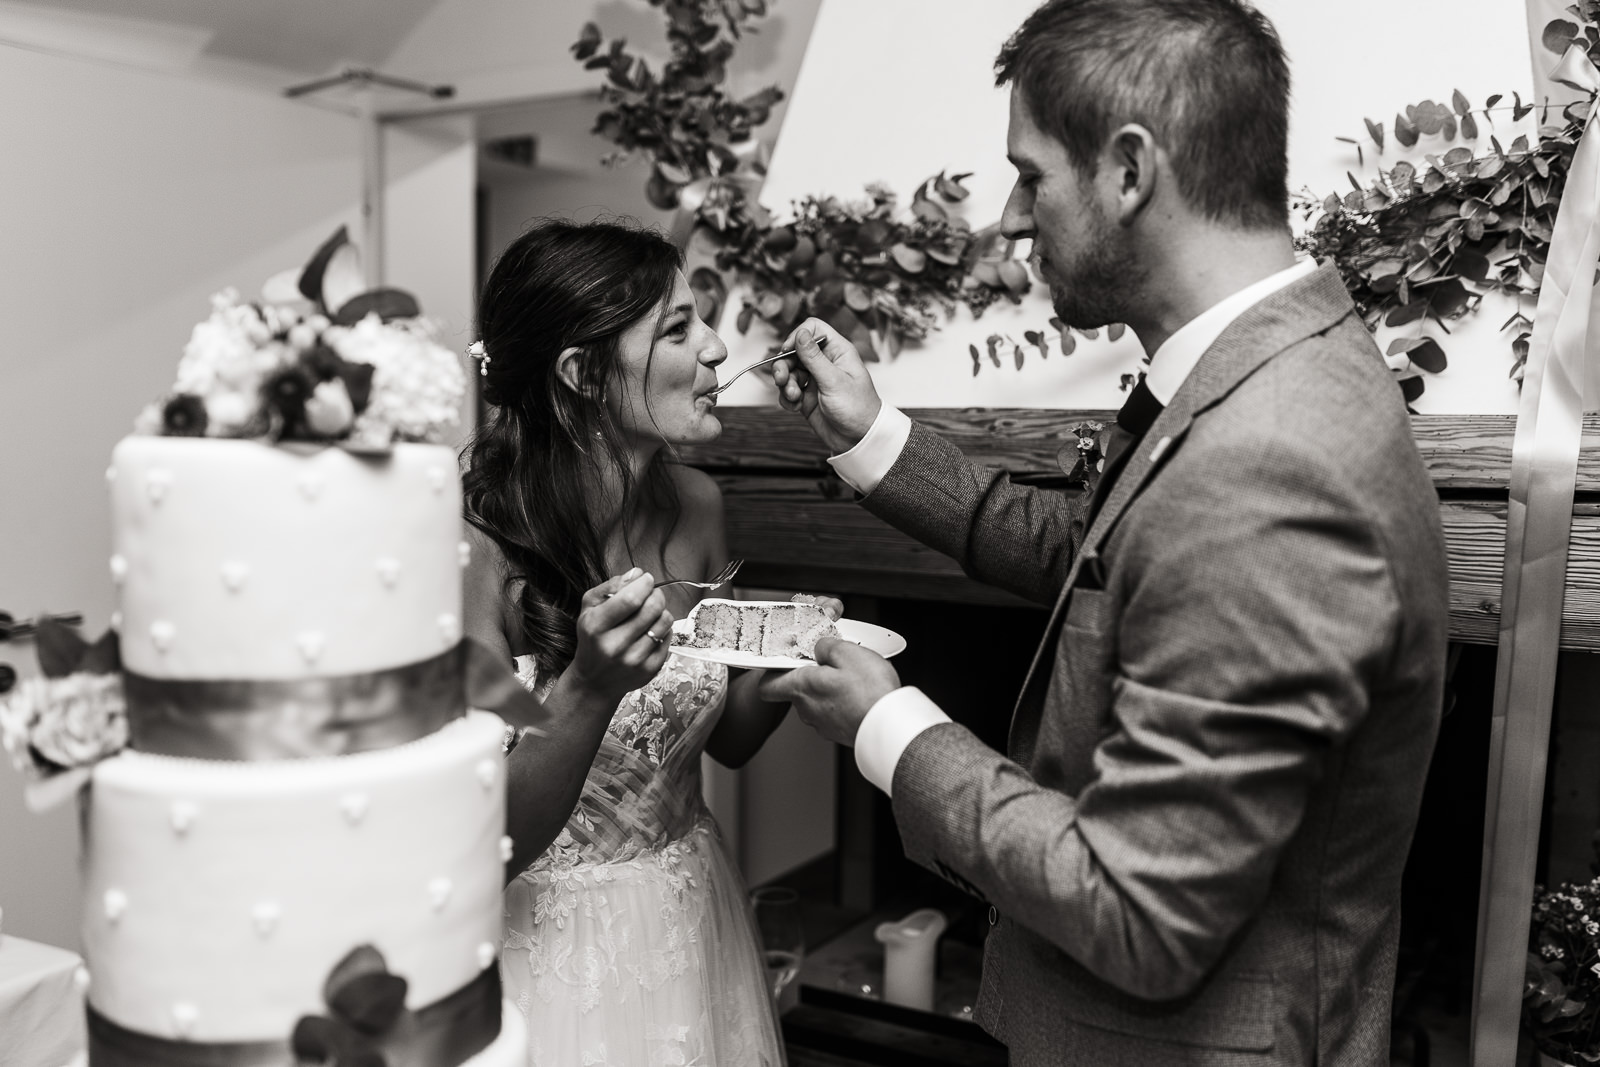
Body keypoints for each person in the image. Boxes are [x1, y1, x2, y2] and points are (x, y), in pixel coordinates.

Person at [758, 1, 1450, 1064]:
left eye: (1030, 174)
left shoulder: (1268, 459)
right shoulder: (1254, 369)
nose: (1007, 219)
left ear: (1129, 171)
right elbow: (1096, 558)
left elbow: (1139, 908)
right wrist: (874, 436)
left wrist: (889, 730)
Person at [463, 219, 817, 1067]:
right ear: (581, 374)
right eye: (678, 329)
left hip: (691, 916)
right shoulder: (473, 543)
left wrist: (793, 659)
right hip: (549, 957)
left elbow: (724, 737)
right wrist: (587, 686)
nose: (719, 349)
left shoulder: (696, 504)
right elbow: (484, 840)